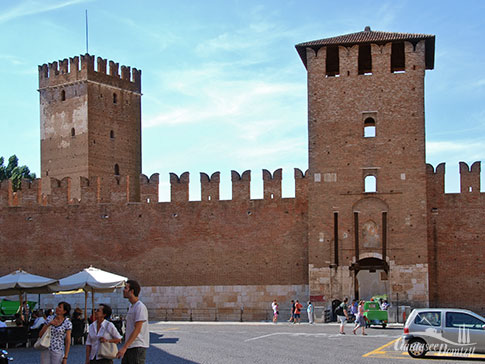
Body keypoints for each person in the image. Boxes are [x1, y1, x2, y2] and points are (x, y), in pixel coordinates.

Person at [116, 280, 149, 363]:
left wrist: (124, 347)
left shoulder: (140, 307)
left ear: (132, 291)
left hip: (137, 346)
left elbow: (137, 329)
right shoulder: (131, 306)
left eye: (126, 288)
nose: (123, 290)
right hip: (130, 346)